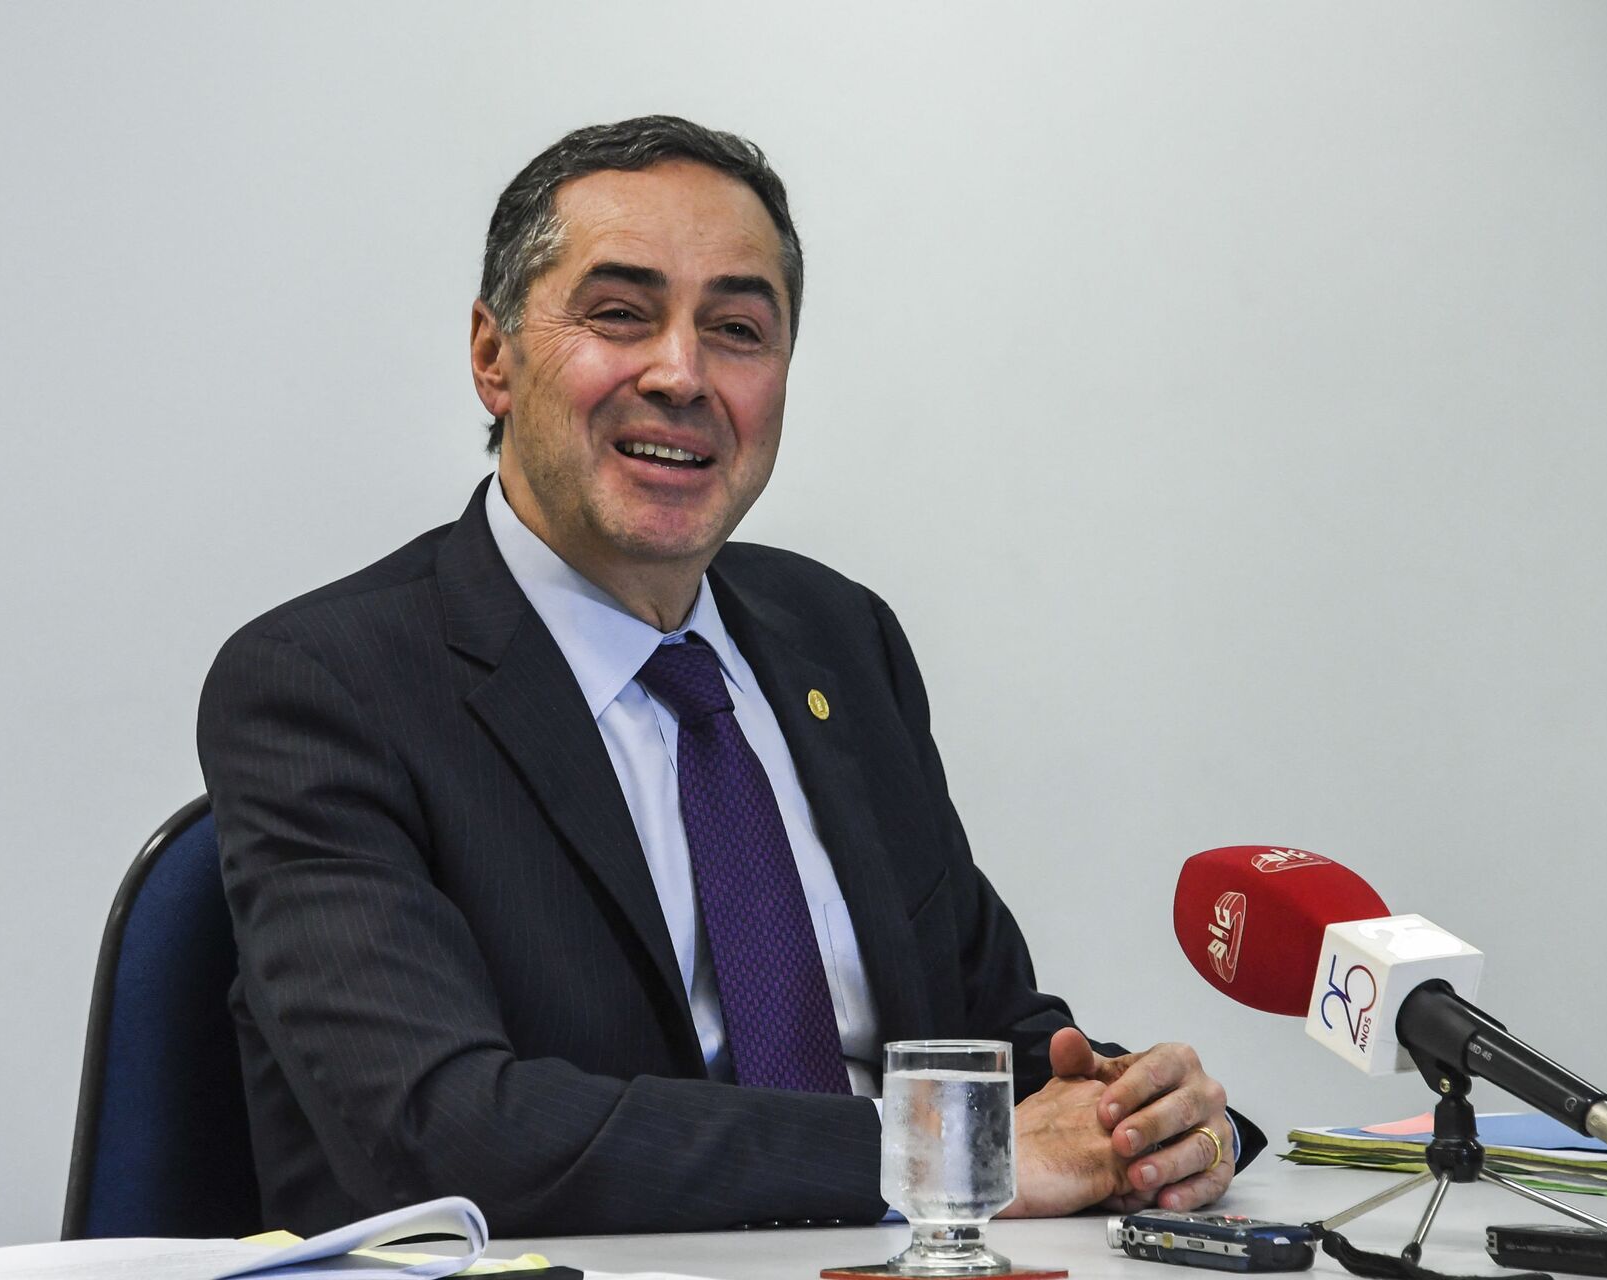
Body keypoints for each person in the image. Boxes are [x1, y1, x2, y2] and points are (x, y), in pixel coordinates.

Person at [197, 115, 1264, 1239]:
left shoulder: (839, 639)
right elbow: (442, 1131)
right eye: (619, 313)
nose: (682, 373)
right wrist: (935, 1152)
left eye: (738, 329)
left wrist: (1146, 1116)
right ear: (492, 354)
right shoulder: (327, 685)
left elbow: (998, 1033)